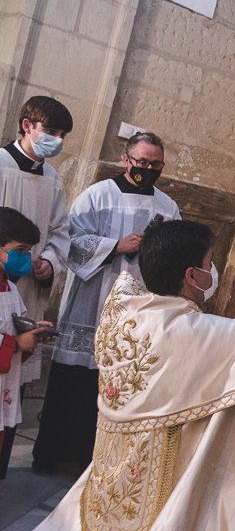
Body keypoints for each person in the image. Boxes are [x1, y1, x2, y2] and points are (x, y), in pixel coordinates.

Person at [36, 219, 235, 530]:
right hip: (160, 486)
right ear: (191, 275)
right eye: (210, 264)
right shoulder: (190, 333)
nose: (213, 273)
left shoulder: (127, 309)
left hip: (111, 474)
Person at [32, 132, 180, 473]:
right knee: (78, 381)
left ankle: (102, 462)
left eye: (155, 164)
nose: (148, 168)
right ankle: (58, 457)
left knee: (122, 382)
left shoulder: (167, 206)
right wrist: (115, 246)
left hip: (139, 308)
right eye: (142, 162)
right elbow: (71, 241)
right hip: (93, 302)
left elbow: (176, 247)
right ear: (126, 160)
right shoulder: (98, 195)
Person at [0, 96, 72, 385]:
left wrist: (51, 264)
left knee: (17, 376)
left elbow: (60, 231)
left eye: (62, 136)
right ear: (27, 125)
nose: (57, 140)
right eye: (51, 132)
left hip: (30, 283)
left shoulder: (53, 178)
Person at [0, 208, 55, 479]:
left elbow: (15, 322)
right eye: (20, 250)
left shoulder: (9, 287)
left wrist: (33, 329)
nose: (26, 258)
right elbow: (14, 340)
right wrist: (17, 343)